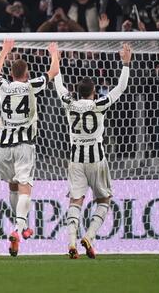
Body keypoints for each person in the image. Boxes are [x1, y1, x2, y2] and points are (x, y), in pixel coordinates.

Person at [53, 43, 131, 259]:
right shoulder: (99, 104)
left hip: (76, 159)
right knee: (104, 201)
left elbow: (58, 85)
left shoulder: (69, 104)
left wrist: (55, 59)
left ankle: (71, 242)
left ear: (77, 92)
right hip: (96, 159)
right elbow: (120, 88)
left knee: (75, 201)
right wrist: (126, 64)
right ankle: (89, 235)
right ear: (93, 92)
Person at [0, 39, 60, 256]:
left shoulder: (3, 86)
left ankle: (21, 227)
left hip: (4, 148)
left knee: (13, 187)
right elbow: (54, 71)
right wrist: (54, 52)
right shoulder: (31, 85)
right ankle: (18, 229)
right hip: (24, 146)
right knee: (25, 188)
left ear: (11, 74)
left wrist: (5, 50)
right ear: (27, 73)